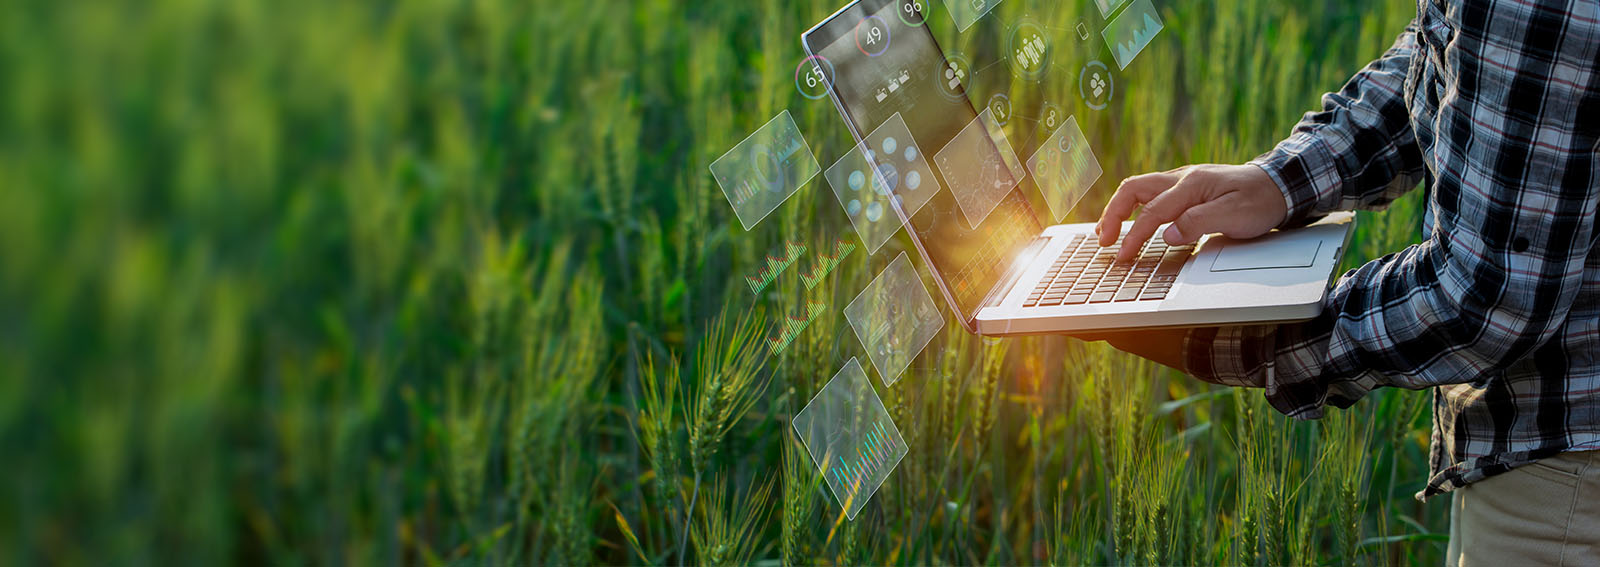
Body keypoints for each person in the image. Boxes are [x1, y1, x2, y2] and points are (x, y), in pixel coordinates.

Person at [1086, 1, 1600, 563]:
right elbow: (1459, 50)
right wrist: (1278, 180)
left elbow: (1485, 301)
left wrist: (1246, 336)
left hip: (1565, 485)